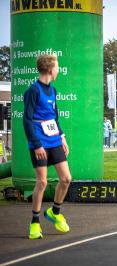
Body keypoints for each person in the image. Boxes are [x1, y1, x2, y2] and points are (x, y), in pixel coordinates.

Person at [23, 54, 71, 239]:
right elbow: (27, 120)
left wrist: (62, 136)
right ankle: (34, 223)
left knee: (66, 179)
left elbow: (54, 117)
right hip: (39, 142)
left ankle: (54, 212)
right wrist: (36, 145)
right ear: (50, 69)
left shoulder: (54, 90)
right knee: (42, 182)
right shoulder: (33, 91)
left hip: (54, 140)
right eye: (57, 67)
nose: (58, 70)